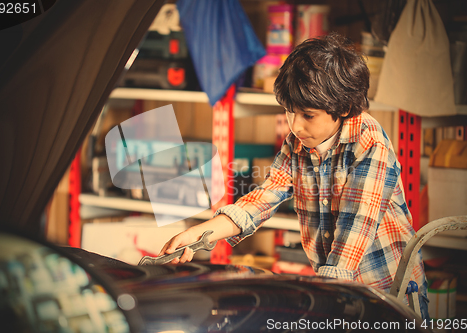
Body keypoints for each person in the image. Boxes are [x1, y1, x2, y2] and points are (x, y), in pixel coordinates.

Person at [159, 32, 429, 320]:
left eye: (308, 115)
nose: (296, 126)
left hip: (389, 295)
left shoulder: (370, 144)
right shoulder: (297, 142)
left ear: (345, 108)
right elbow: (263, 198)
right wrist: (199, 233)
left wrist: (322, 300)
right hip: (338, 290)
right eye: (289, 112)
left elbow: (355, 227)